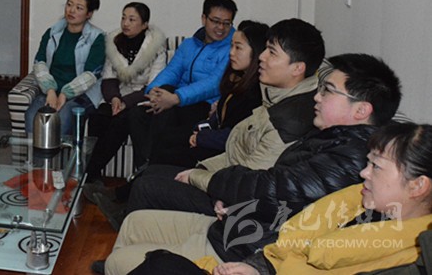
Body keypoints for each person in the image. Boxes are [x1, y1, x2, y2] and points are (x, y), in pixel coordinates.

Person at [98, 53, 402, 275]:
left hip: (239, 247)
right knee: (134, 223)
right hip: (233, 225)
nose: (317, 97)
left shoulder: (351, 157)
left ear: (361, 110)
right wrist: (236, 201)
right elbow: (282, 192)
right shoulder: (330, 137)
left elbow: (275, 189)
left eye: (328, 91)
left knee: (118, 261)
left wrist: (223, 187)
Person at [92, 19, 324, 231]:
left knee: (149, 183)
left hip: (232, 202)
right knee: (153, 162)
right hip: (227, 176)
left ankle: (130, 232)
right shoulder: (274, 95)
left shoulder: (287, 118)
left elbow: (250, 182)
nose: (262, 57)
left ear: (297, 68)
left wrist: (198, 175)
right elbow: (236, 152)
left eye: (271, 52)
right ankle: (125, 217)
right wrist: (202, 168)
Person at [124, 121, 432, 275]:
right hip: (257, 258)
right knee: (159, 263)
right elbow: (291, 245)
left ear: (418, 185)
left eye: (376, 166)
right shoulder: (359, 205)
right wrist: (257, 267)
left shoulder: (408, 255)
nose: (364, 173)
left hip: (238, 241)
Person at [126, 0, 238, 171]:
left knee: (166, 114)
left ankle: (151, 167)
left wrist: (176, 98)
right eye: (216, 21)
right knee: (137, 114)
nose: (221, 28)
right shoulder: (189, 45)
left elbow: (214, 83)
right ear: (204, 18)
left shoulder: (232, 48)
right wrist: (153, 91)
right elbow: (172, 71)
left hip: (204, 104)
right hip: (177, 100)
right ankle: (144, 166)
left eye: (226, 23)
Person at [85, 2, 168, 182]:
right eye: (123, 18)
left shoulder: (156, 48)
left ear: (144, 25)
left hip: (141, 99)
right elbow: (108, 78)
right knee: (97, 118)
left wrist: (125, 102)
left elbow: (153, 86)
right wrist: (115, 98)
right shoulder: (114, 42)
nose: (125, 23)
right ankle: (94, 175)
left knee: (121, 123)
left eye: (132, 19)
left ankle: (88, 173)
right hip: (117, 95)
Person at [23, 0, 105, 137]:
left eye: (79, 8)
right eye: (69, 4)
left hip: (82, 94)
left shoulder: (97, 38)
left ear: (89, 14)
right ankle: (32, 153)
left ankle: (63, 153)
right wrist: (50, 90)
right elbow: (39, 62)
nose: (71, 10)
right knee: (33, 116)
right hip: (51, 91)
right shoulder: (52, 33)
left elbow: (91, 75)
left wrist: (65, 94)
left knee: (64, 118)